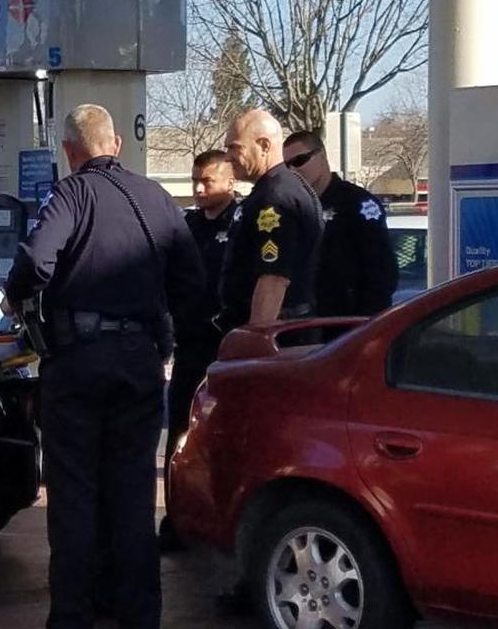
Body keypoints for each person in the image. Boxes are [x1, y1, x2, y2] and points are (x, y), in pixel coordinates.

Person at [2, 104, 205, 629]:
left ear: (70, 152)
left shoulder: (70, 194)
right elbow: (191, 283)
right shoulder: (159, 199)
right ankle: (139, 619)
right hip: (140, 364)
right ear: (116, 144)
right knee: (134, 499)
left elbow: (34, 263)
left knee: (74, 501)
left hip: (77, 364)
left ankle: (73, 621)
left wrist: (15, 297)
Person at [160, 150, 239, 549]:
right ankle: (176, 520)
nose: (197, 189)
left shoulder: (243, 224)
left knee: (226, 438)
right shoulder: (186, 225)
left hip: (227, 348)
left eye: (207, 181)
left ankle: (227, 524)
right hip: (189, 345)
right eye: (195, 180)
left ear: (229, 181)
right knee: (179, 434)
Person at [217, 109, 323, 331]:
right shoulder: (283, 187)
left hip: (279, 336)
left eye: (234, 147)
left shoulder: (274, 198)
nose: (227, 157)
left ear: (264, 146)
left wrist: (256, 341)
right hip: (288, 331)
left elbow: (273, 279)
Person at [283, 130, 397, 317]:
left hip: (348, 325)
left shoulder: (357, 203)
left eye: (299, 161)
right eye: (286, 166)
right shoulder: (293, 208)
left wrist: (362, 324)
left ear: (322, 156)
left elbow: (382, 273)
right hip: (303, 325)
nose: (293, 170)